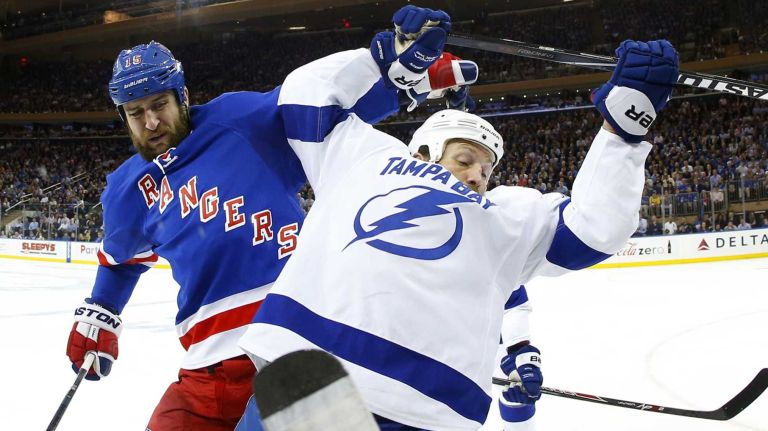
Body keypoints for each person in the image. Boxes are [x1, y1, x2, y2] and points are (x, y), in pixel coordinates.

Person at [238, 26, 679, 430]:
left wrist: (623, 131)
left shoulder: (506, 213)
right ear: (425, 150)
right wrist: (384, 60)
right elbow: (302, 98)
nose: (476, 175)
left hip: (425, 409)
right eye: (465, 160)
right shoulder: (367, 157)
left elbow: (596, 230)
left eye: (486, 170)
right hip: (307, 374)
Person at [63, 18, 471, 429]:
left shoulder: (239, 122)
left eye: (159, 106)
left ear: (182, 96)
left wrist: (397, 79)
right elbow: (121, 259)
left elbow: (317, 109)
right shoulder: (127, 190)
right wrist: (101, 310)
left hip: (291, 342)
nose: (150, 122)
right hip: (205, 369)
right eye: (136, 113)